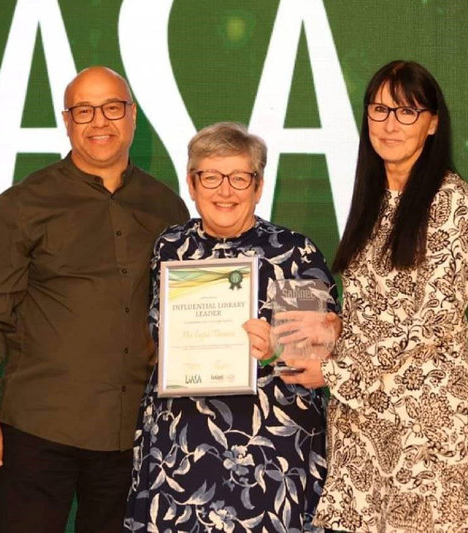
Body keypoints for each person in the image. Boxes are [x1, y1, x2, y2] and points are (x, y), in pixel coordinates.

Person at [0, 66, 189, 533]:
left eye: (111, 108)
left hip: (132, 436)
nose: (99, 122)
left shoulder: (167, 207)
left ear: (132, 116)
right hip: (37, 431)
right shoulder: (22, 205)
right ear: (67, 120)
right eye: (84, 110)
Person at [278, 61, 468, 532]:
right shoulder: (374, 198)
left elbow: (429, 322)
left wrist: (335, 371)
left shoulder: (450, 201)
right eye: (379, 108)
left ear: (432, 123)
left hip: (421, 425)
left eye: (407, 111)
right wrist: (336, 326)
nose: (390, 123)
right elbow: (380, 307)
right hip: (360, 421)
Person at [124, 122, 339, 532]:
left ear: (258, 187)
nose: (226, 190)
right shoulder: (170, 247)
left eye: (240, 178)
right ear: (191, 183)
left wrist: (277, 349)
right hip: (179, 452)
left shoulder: (291, 253)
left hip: (269, 458)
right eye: (211, 176)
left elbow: (316, 360)